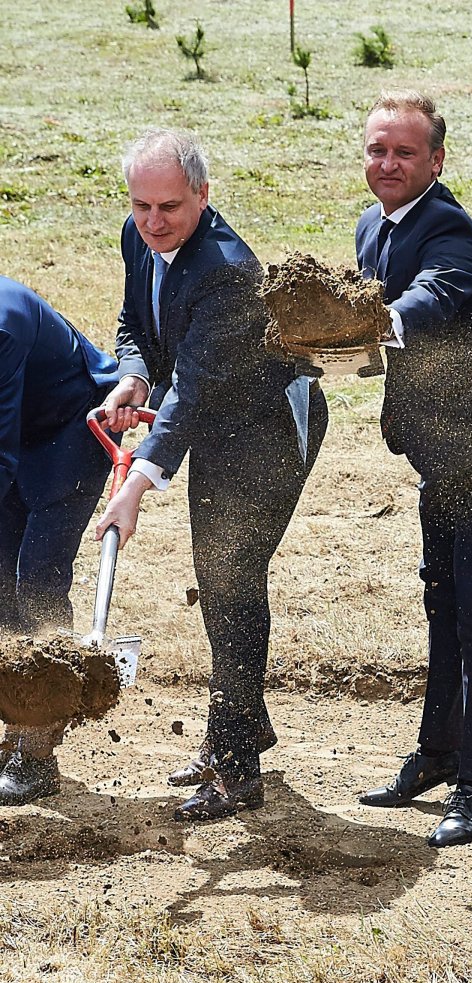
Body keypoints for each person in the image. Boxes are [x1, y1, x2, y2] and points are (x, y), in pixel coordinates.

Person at [94, 128, 327, 822]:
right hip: (213, 420)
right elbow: (135, 321)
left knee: (231, 580)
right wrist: (133, 375)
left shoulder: (227, 270)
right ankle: (243, 726)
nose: (153, 222)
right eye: (141, 205)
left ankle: (236, 770)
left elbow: (192, 390)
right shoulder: (141, 236)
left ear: (203, 192)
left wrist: (135, 485)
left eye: (170, 206)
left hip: (267, 430)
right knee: (220, 574)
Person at [351, 92, 472, 849]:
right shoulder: (375, 225)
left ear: (437, 160)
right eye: (377, 150)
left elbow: (432, 300)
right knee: (441, 599)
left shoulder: (453, 231)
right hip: (441, 452)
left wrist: (376, 323)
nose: (388, 164)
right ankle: (437, 754)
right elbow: (384, 342)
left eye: (404, 153)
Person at [0, 277, 120, 806]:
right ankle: (14, 716)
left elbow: (0, 447)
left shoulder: (2, 323)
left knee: (37, 580)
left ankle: (38, 750)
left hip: (72, 426)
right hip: (19, 429)